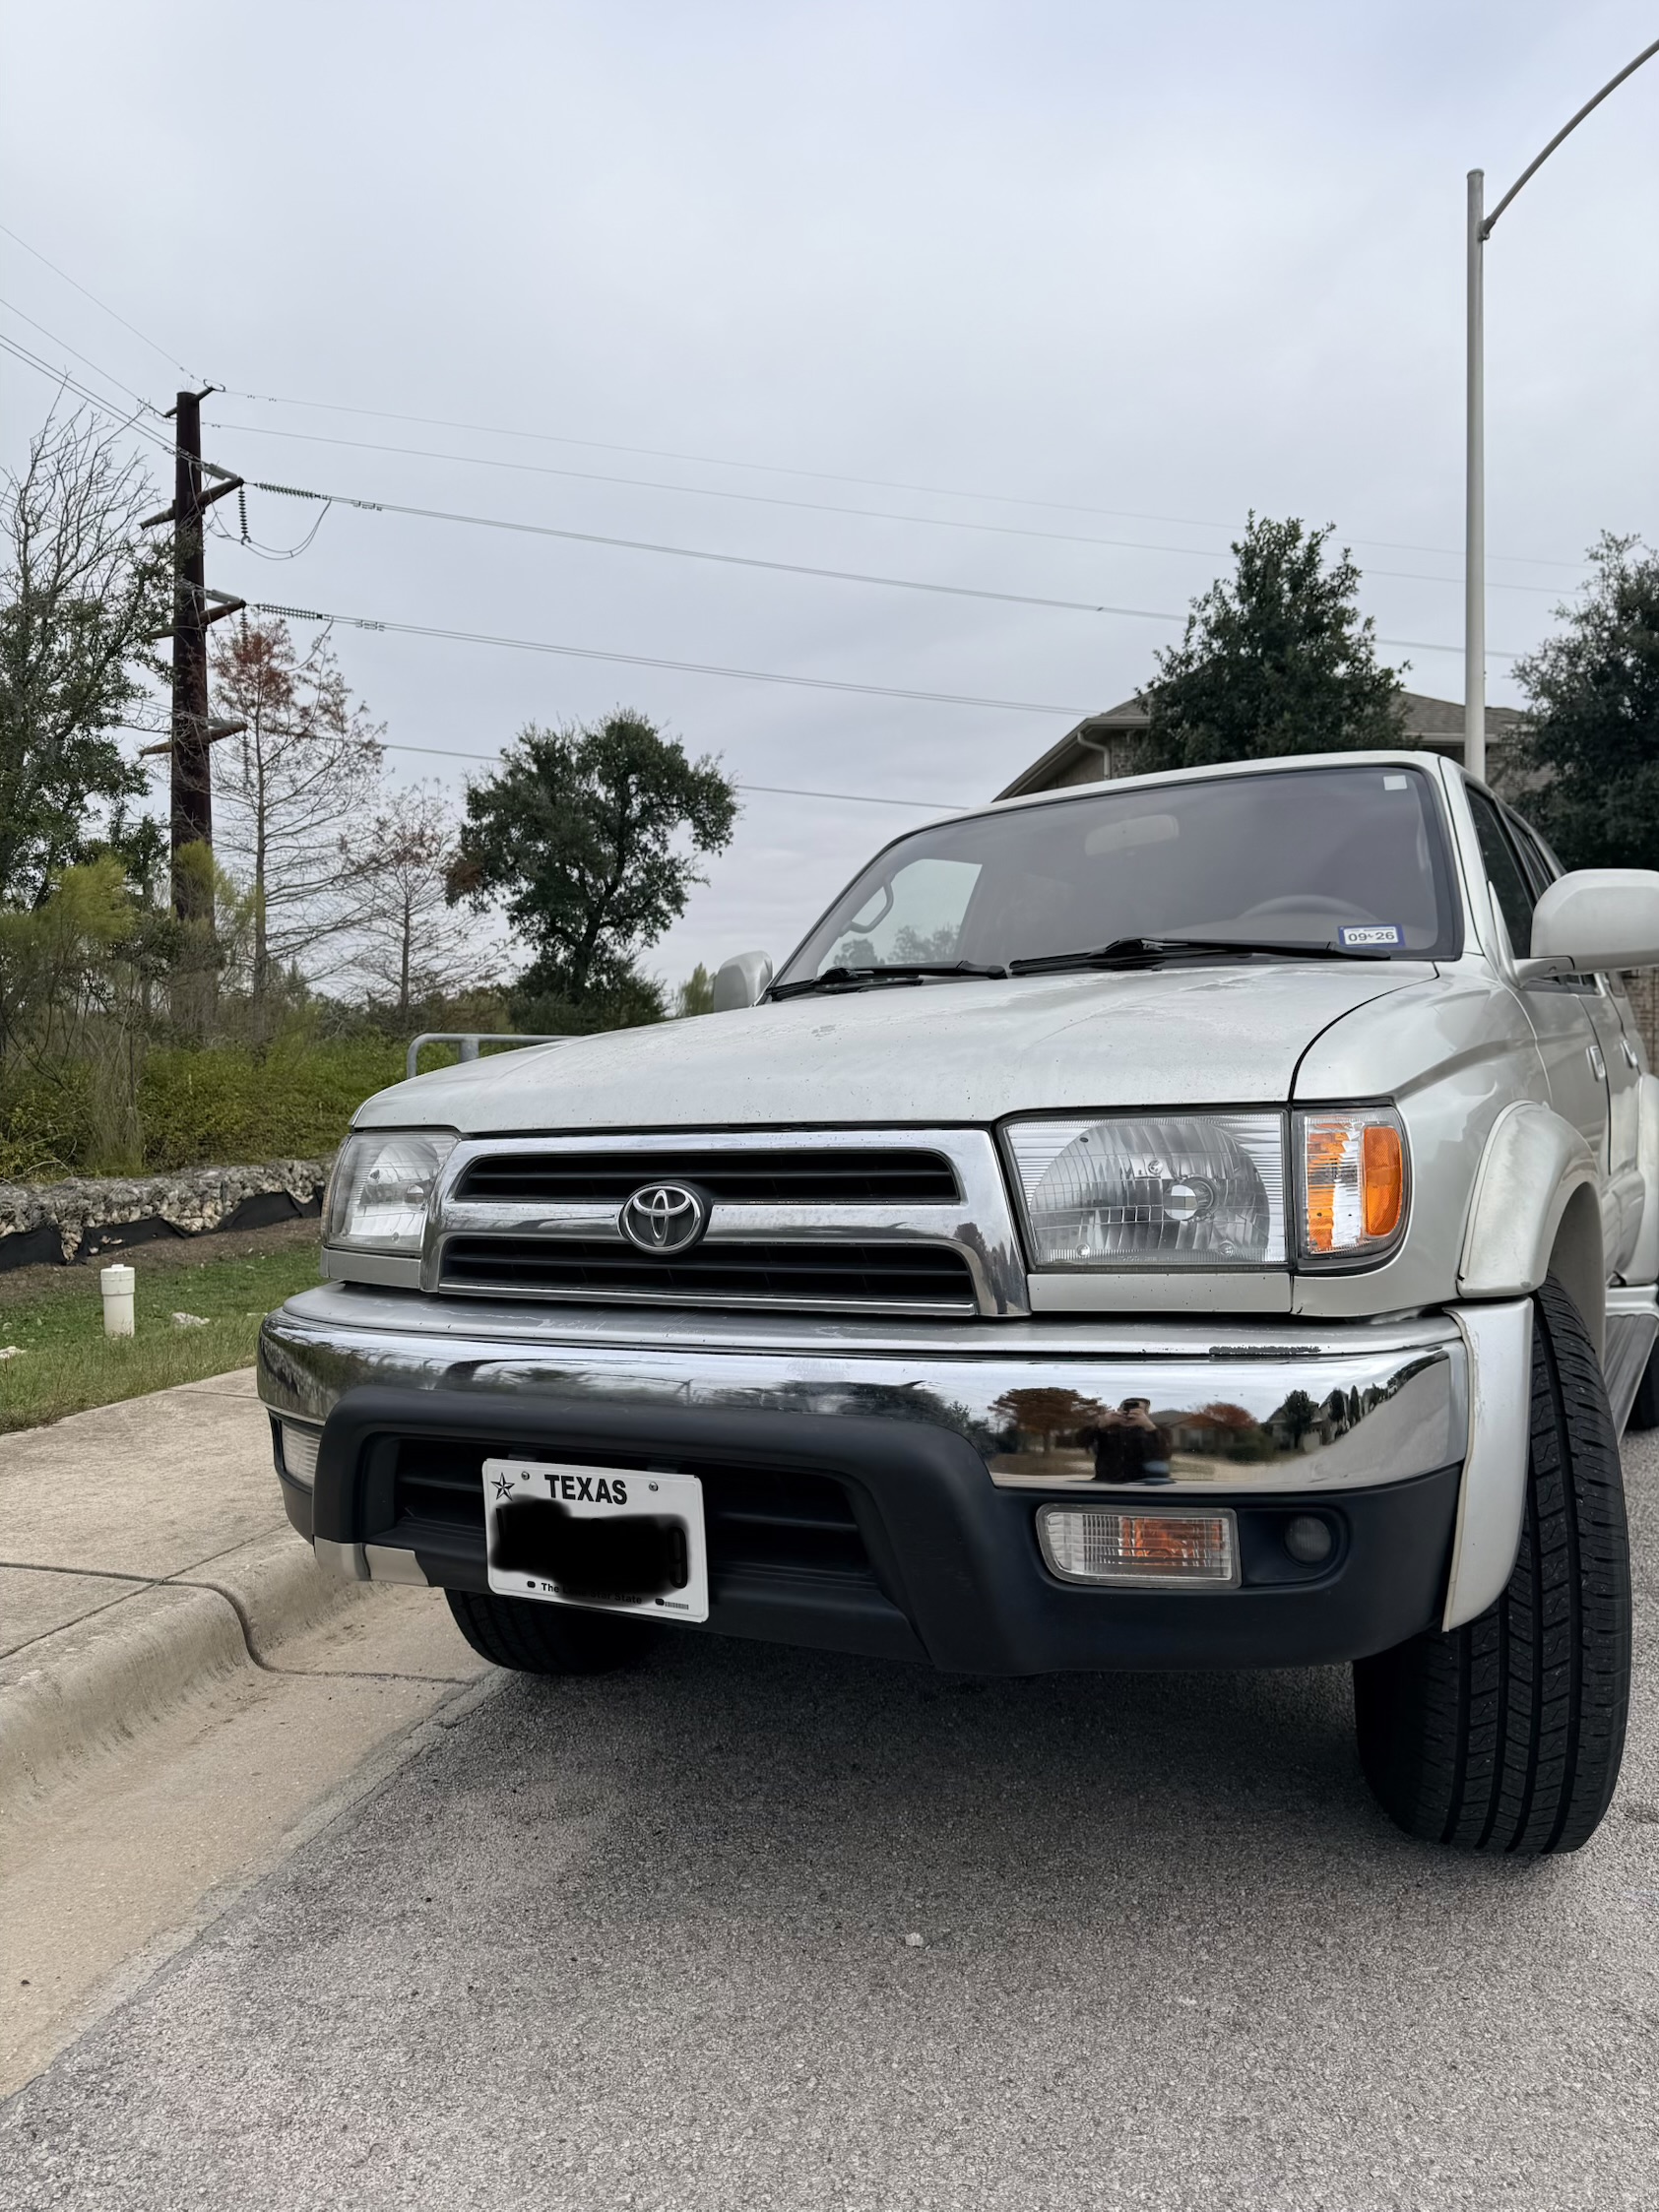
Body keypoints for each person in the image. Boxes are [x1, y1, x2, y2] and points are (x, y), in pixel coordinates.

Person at [1079, 1398, 1173, 1485]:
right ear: (1119, 1410)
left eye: (1136, 1409)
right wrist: (1100, 1425)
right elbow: (1081, 1442)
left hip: (1145, 1483)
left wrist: (1149, 1428)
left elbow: (1163, 1454)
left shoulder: (1158, 1430)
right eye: (1125, 1408)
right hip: (1108, 1481)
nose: (1129, 1412)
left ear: (1146, 1413)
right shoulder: (1108, 1428)